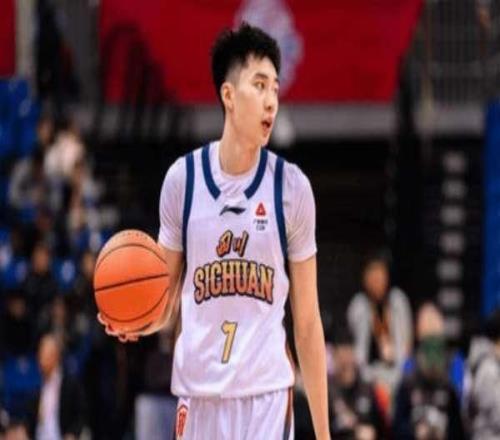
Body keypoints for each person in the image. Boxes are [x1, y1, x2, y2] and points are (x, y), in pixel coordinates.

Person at [98, 22, 330, 439]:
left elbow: (308, 323)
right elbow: (165, 303)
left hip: (266, 400)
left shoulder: (292, 188)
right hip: (198, 398)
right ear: (228, 95)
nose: (271, 101)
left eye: (275, 89)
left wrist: (325, 433)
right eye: (259, 85)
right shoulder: (182, 181)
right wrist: (135, 321)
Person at [392, 304, 465, 440]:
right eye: (426, 323)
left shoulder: (456, 362)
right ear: (418, 331)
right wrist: (415, 432)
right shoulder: (409, 365)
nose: (430, 328)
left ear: (442, 327)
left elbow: (460, 414)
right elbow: (397, 423)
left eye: (434, 322)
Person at [328, 327, 386, 440]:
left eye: (349, 352)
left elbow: (382, 428)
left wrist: (371, 432)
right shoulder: (327, 392)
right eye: (342, 355)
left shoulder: (368, 388)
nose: (346, 359)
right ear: (334, 356)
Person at [28, 333, 85, 440]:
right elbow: (30, 421)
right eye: (40, 354)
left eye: (45, 355)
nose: (41, 360)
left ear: (56, 356)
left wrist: (72, 434)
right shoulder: (36, 386)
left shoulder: (70, 384)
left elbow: (80, 415)